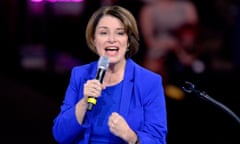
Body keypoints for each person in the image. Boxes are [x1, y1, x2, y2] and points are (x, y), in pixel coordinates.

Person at [52, 5, 167, 144]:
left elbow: (158, 140)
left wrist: (131, 136)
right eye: (104, 33)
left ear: (129, 41)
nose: (111, 39)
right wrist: (83, 103)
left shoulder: (149, 82)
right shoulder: (80, 74)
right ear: (94, 40)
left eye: (119, 33)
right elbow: (60, 134)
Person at [138, 0, 201, 100]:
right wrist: (169, 45)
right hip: (159, 47)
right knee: (152, 68)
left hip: (184, 46)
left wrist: (179, 47)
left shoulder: (187, 6)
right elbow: (149, 40)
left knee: (192, 63)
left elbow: (193, 31)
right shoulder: (149, 9)